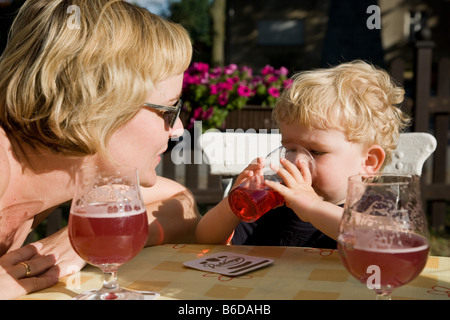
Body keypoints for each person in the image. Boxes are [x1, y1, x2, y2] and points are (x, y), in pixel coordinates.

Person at [0, 0, 200, 299]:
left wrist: (77, 241)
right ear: (98, 106)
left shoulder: (64, 170)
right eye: (169, 109)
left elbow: (179, 202)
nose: (178, 128)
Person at [196, 60, 410, 247]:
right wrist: (233, 204)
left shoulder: (375, 208)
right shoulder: (274, 206)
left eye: (316, 152)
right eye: (290, 148)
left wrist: (314, 208)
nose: (297, 160)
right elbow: (205, 240)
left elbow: (390, 240)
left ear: (369, 161)